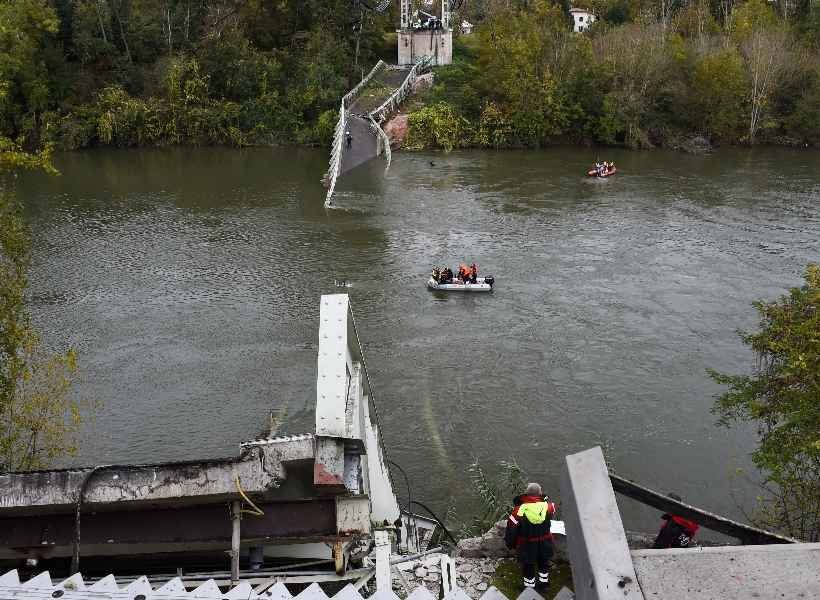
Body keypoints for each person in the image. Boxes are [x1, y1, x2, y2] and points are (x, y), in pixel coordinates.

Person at [505, 482, 556, 591]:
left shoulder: (519, 510)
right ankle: (544, 585)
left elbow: (511, 528)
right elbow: (551, 513)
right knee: (543, 562)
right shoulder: (549, 507)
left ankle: (529, 587)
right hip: (545, 541)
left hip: (527, 543)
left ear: (526, 494)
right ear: (540, 493)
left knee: (528, 564)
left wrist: (510, 543)